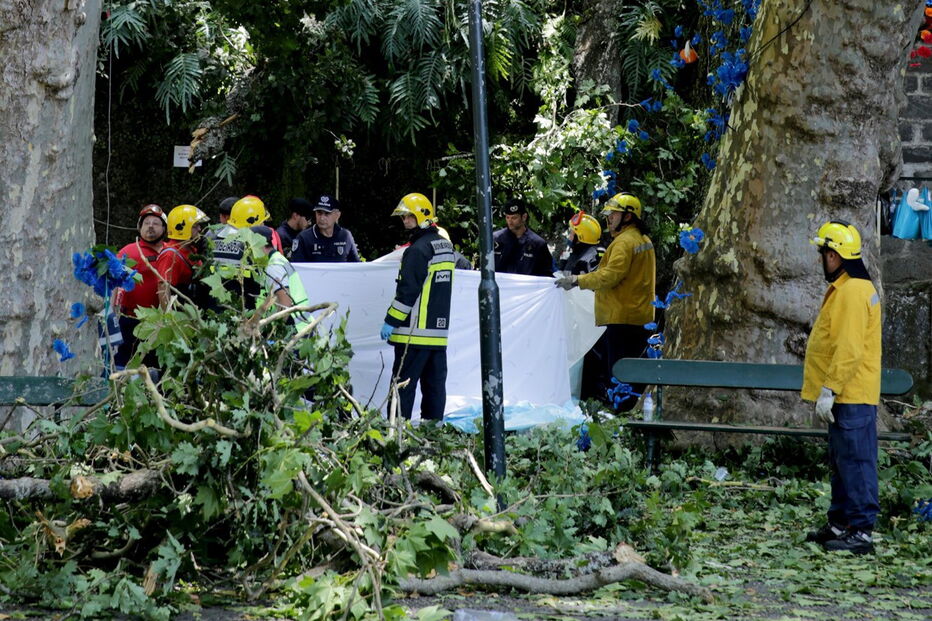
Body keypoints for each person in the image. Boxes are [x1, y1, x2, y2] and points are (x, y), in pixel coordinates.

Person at [802, 220, 881, 555]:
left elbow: (849, 348)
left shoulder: (852, 292)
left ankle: (860, 532)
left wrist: (830, 389)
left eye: (822, 252)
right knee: (842, 461)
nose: (821, 258)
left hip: (851, 393)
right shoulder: (850, 287)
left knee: (856, 462)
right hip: (847, 393)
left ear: (833, 255)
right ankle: (840, 523)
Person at [554, 193, 655, 411]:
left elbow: (609, 276)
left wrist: (576, 280)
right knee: (632, 373)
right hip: (639, 317)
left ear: (628, 216)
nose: (609, 219)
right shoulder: (643, 240)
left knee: (618, 373)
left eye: (613, 214)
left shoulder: (624, 243)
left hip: (621, 318)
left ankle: (620, 415)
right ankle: (629, 412)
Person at [379, 193, 455, 421]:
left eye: (409, 216)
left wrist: (391, 321)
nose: (405, 221)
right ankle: (434, 431)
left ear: (422, 216)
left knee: (402, 386)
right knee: (434, 386)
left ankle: (396, 431)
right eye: (403, 217)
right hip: (437, 334)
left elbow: (408, 291)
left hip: (413, 333)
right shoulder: (445, 246)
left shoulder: (417, 250)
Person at [113, 204, 167, 368]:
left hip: (161, 322)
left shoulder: (170, 252)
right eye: (146, 223)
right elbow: (113, 283)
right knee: (125, 365)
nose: (150, 226)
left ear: (164, 228)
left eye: (155, 223)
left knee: (156, 367)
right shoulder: (128, 252)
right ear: (139, 227)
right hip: (131, 321)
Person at [249, 225, 312, 331]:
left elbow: (285, 303)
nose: (248, 251)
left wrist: (276, 331)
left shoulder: (273, 266)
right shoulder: (275, 260)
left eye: (249, 245)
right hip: (302, 326)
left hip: (295, 329)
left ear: (259, 244)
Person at [156, 204, 209, 309]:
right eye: (195, 226)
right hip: (180, 312)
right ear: (183, 228)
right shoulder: (170, 255)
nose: (200, 229)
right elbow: (163, 289)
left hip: (193, 309)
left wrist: (203, 256)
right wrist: (168, 316)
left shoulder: (191, 249)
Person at [290, 194, 361, 262]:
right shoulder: (304, 238)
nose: (322, 218)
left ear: (337, 215)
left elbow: (356, 266)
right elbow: (297, 267)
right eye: (319, 213)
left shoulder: (345, 236)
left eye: (327, 213)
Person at [493, 198, 554, 276]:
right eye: (507, 217)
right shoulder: (495, 239)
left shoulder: (537, 244)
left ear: (524, 217)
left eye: (514, 218)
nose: (510, 222)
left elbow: (546, 273)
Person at [559, 211, 604, 275]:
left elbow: (598, 279)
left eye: (571, 233)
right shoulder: (574, 253)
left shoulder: (595, 256)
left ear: (579, 237)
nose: (569, 237)